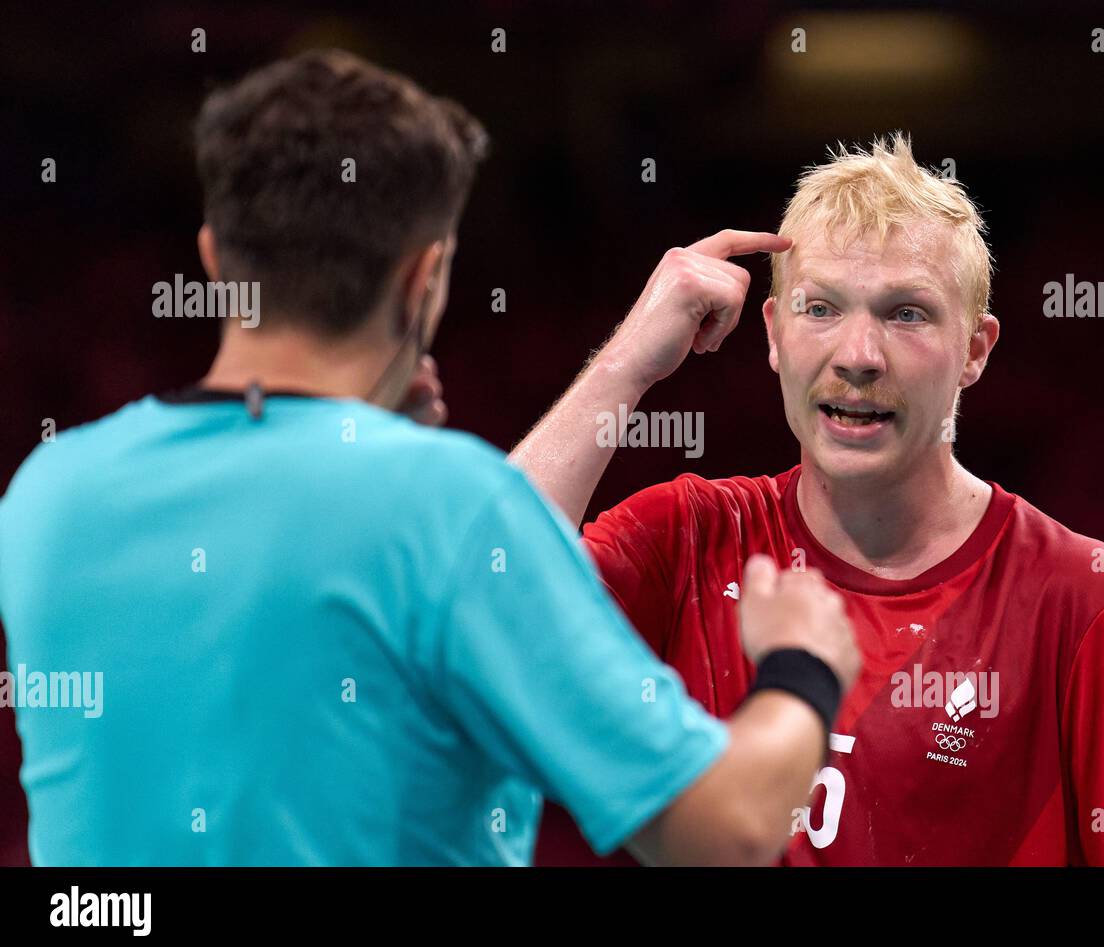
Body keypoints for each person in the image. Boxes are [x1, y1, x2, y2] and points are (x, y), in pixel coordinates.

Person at [0, 49, 860, 866]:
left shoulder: (46, 494)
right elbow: (730, 830)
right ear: (425, 278)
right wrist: (802, 665)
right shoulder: (442, 504)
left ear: (214, 259)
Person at [516, 134, 1104, 866]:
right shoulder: (689, 537)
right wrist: (623, 367)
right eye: (821, 308)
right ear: (773, 332)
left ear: (976, 350)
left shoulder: (1088, 603)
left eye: (907, 314)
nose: (858, 355)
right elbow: (470, 603)